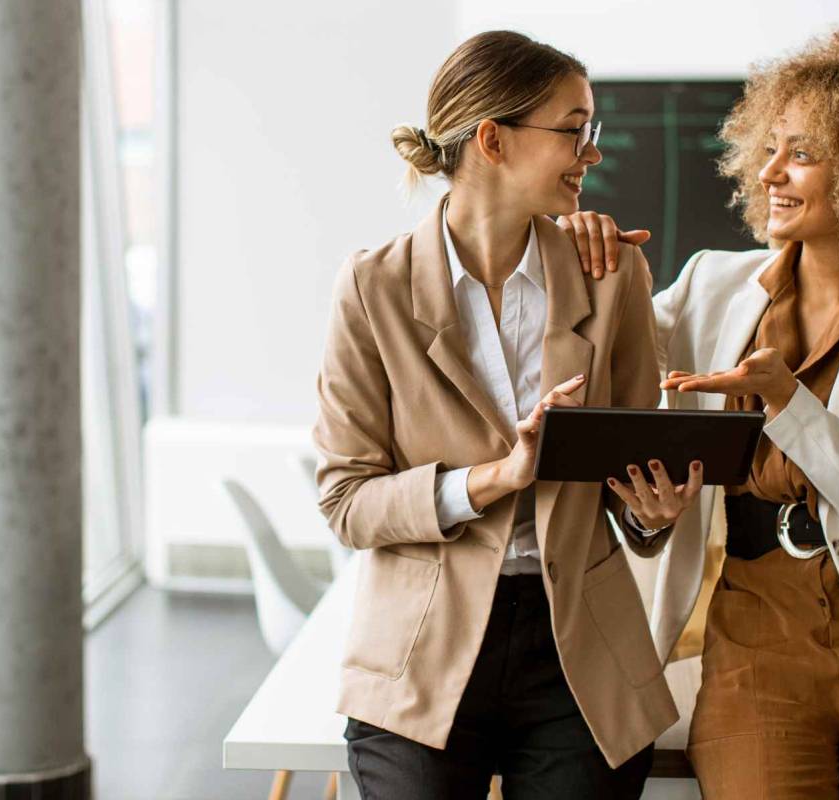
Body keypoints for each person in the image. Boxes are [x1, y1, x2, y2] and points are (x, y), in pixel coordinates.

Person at [561, 27, 839, 798]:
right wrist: (588, 259)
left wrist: (788, 404)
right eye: (768, 149)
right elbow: (608, 366)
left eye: (800, 153)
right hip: (752, 644)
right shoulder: (711, 284)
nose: (768, 172)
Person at [313, 30, 701, 800]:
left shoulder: (610, 275)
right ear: (492, 139)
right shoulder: (372, 289)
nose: (591, 153)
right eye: (574, 129)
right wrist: (496, 477)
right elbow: (346, 502)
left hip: (579, 654)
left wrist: (654, 516)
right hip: (421, 648)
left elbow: (630, 482)